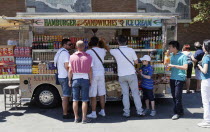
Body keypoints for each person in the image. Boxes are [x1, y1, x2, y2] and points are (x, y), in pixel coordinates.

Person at [110, 35, 144, 117]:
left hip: (121, 75)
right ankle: (139, 111)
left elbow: (107, 49)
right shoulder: (131, 50)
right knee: (135, 93)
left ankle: (126, 112)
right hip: (131, 74)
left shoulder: (114, 51)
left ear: (118, 42)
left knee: (125, 94)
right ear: (126, 42)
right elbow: (136, 62)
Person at [68, 40, 93, 124]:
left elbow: (70, 70)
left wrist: (69, 80)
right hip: (85, 79)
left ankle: (76, 118)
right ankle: (84, 118)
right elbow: (90, 70)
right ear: (84, 47)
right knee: (85, 100)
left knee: (75, 100)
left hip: (75, 79)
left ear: (76, 47)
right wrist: (91, 80)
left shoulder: (71, 57)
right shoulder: (88, 57)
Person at [86, 37, 109, 118]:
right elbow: (107, 48)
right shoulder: (102, 50)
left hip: (93, 74)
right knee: (102, 93)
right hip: (101, 73)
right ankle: (103, 111)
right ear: (98, 43)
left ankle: (93, 112)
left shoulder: (88, 52)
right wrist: (103, 42)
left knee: (93, 94)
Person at [167, 41, 188, 120]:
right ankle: (181, 110)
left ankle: (176, 113)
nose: (169, 48)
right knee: (174, 96)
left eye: (170, 47)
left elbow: (185, 67)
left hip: (180, 78)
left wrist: (174, 66)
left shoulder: (183, 56)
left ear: (175, 48)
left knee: (177, 96)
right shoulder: (171, 55)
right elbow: (166, 58)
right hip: (172, 77)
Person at [54, 39, 73, 119]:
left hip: (60, 76)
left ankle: (67, 110)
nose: (71, 46)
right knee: (66, 96)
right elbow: (66, 66)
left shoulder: (59, 52)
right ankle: (65, 113)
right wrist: (71, 73)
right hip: (65, 76)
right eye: (69, 44)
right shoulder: (65, 53)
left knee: (66, 95)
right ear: (64, 45)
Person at [197, 40, 210, 128]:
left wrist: (199, 66)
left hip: (206, 81)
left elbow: (204, 71)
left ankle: (207, 121)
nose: (202, 47)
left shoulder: (206, 57)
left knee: (205, 102)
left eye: (203, 46)